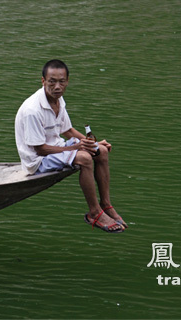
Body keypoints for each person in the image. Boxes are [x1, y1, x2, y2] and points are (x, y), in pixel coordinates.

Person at [15, 59, 127, 233]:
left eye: (62, 81)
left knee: (101, 151)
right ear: (43, 81)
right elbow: (40, 149)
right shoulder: (33, 110)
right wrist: (76, 149)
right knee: (84, 158)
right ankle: (94, 212)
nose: (57, 86)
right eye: (52, 81)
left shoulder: (58, 100)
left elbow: (67, 130)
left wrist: (93, 144)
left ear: (67, 81)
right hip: (37, 161)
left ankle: (106, 204)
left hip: (56, 149)